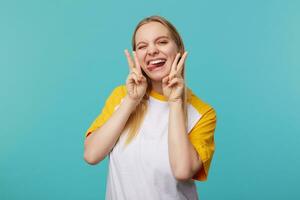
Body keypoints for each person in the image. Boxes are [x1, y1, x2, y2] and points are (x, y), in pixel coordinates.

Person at [83, 15, 217, 200]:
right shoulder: (121, 97)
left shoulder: (202, 113)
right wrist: (131, 100)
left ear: (178, 49)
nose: (152, 51)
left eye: (161, 42)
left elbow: (182, 170)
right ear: (136, 56)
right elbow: (91, 155)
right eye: (142, 46)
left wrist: (176, 102)